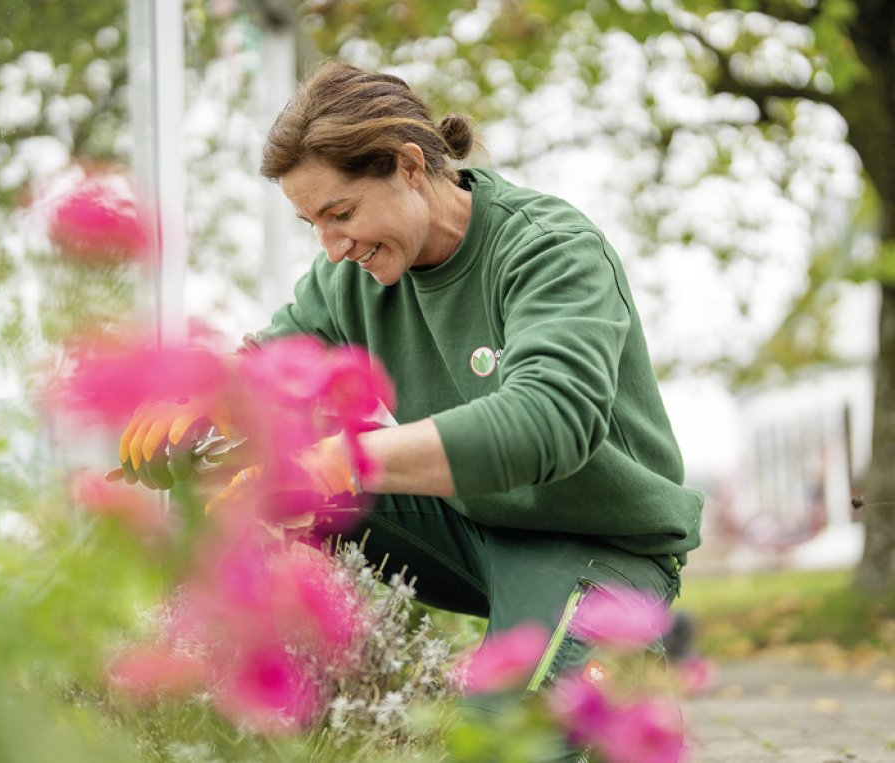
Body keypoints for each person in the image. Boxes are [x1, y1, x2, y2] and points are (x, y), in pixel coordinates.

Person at [118, 59, 703, 739]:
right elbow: (271, 366)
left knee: (499, 738)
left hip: (599, 537)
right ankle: (296, 711)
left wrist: (351, 460)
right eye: (312, 223)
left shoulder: (547, 250)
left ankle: (616, 666)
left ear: (410, 166)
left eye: (340, 213)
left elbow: (550, 421)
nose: (332, 247)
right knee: (269, 476)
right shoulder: (350, 278)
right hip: (470, 526)